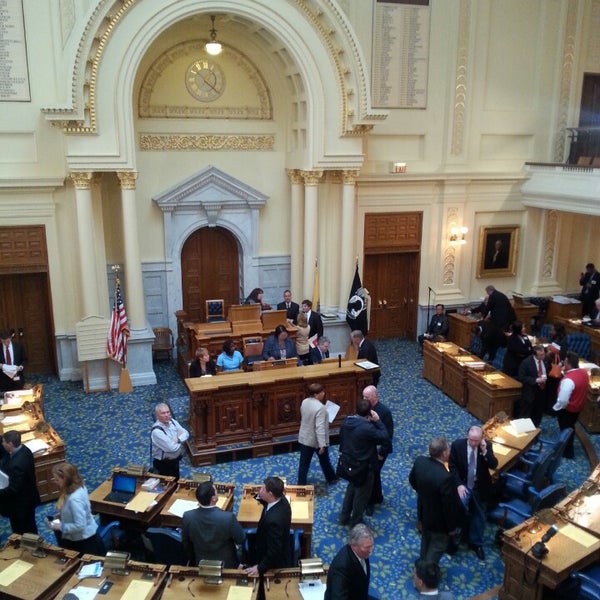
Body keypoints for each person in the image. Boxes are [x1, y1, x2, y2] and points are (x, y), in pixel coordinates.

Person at [409, 437, 462, 566]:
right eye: (448, 449)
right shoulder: (446, 478)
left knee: (426, 540)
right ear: (444, 453)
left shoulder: (420, 462)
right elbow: (448, 507)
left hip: (424, 511)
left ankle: (422, 563)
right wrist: (451, 528)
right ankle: (425, 574)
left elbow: (412, 480)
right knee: (437, 547)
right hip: (439, 522)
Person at [448, 425, 498, 561]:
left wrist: (485, 452)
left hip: (479, 485)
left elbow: (494, 465)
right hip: (463, 484)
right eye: (471, 440)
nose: (474, 443)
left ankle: (476, 543)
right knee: (458, 508)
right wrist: (458, 484)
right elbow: (452, 467)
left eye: (477, 441)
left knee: (480, 514)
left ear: (482, 438)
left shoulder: (485, 446)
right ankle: (456, 537)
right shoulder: (457, 445)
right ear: (467, 437)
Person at [338, 399, 390, 527]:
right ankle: (356, 522)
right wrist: (377, 421)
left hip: (348, 462)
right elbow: (384, 436)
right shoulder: (367, 428)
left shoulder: (346, 422)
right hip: (363, 466)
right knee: (361, 495)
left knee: (350, 489)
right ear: (369, 412)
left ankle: (344, 517)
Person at [181, 480, 245, 568]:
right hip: (226, 564)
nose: (217, 493)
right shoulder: (228, 518)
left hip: (200, 563)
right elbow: (241, 539)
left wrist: (192, 559)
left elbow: (186, 542)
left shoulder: (188, 516)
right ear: (213, 498)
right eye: (216, 491)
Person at [47, 462, 105, 555]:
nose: (55, 482)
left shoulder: (74, 499)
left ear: (65, 479)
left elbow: (80, 525)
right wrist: (63, 514)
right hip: (85, 536)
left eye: (57, 480)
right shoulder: (78, 487)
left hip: (84, 543)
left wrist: (60, 526)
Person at [243, 476, 292, 578]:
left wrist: (259, 567)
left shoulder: (273, 521)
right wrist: (257, 496)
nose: (260, 490)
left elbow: (274, 550)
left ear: (270, 494)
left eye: (262, 489)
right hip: (271, 539)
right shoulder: (281, 499)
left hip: (270, 556)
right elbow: (265, 501)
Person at [0, 430, 41, 534]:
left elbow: (14, 489)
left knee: (24, 527)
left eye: (4, 442)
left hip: (21, 503)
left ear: (10, 444)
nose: (2, 443)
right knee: (28, 524)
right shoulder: (25, 449)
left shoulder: (18, 465)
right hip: (27, 496)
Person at [297, 383, 337, 485]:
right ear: (316, 394)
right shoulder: (321, 408)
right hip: (315, 441)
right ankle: (331, 478)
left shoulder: (305, 401)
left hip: (304, 437)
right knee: (324, 460)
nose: (323, 393)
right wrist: (322, 445)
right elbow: (320, 428)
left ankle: (301, 484)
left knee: (304, 464)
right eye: (321, 392)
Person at [324, 523, 377, 600]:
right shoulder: (341, 568)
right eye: (367, 547)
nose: (371, 551)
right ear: (353, 545)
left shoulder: (362, 552)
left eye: (372, 546)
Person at [363, 385, 393, 515]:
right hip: (369, 449)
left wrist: (382, 453)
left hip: (379, 450)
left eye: (367, 397)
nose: (364, 399)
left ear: (374, 397)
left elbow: (388, 434)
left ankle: (370, 502)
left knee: (372, 475)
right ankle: (377, 497)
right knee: (374, 474)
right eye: (363, 396)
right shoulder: (365, 408)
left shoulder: (384, 412)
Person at [553, 351, 590, 459]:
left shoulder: (568, 380)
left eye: (564, 362)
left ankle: (567, 452)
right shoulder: (583, 372)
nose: (563, 364)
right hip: (578, 408)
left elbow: (563, 400)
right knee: (571, 428)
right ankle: (567, 450)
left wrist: (557, 408)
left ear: (568, 363)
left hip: (567, 410)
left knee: (565, 430)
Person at [472, 286, 515, 361]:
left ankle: (492, 358)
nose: (487, 294)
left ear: (489, 291)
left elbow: (488, 307)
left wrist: (479, 358)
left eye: (487, 292)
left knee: (494, 346)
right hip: (505, 318)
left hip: (499, 324)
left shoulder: (493, 296)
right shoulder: (501, 295)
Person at [151, 402, 189, 479]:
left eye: (168, 412)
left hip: (175, 461)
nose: (167, 415)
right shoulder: (157, 431)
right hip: (164, 464)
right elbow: (171, 448)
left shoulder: (173, 422)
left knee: (176, 482)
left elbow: (186, 434)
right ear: (157, 415)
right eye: (163, 413)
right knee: (166, 486)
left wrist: (177, 439)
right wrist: (180, 440)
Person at [516, 345, 547, 426]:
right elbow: (521, 377)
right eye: (541, 355)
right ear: (535, 355)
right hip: (530, 392)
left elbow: (548, 369)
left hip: (542, 391)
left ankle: (536, 428)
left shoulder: (546, 360)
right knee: (526, 413)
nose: (543, 356)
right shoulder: (526, 362)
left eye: (544, 354)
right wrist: (535, 380)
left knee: (538, 412)